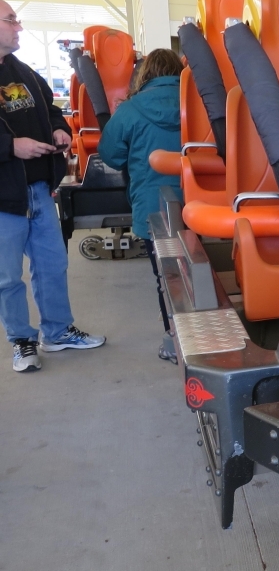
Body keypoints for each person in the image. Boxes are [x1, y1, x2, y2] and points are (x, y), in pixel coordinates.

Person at [0, 0, 105, 373]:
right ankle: (22, 342)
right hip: (4, 198)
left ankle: (57, 332)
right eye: (11, 20)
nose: (18, 27)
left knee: (52, 264)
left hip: (39, 190)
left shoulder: (22, 72)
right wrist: (10, 147)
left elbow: (51, 108)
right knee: (7, 277)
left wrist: (60, 128)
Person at [98, 49, 183, 362]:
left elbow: (111, 155)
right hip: (200, 204)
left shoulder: (130, 110)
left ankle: (174, 341)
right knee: (203, 271)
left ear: (145, 74)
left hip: (153, 204)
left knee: (167, 276)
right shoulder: (201, 103)